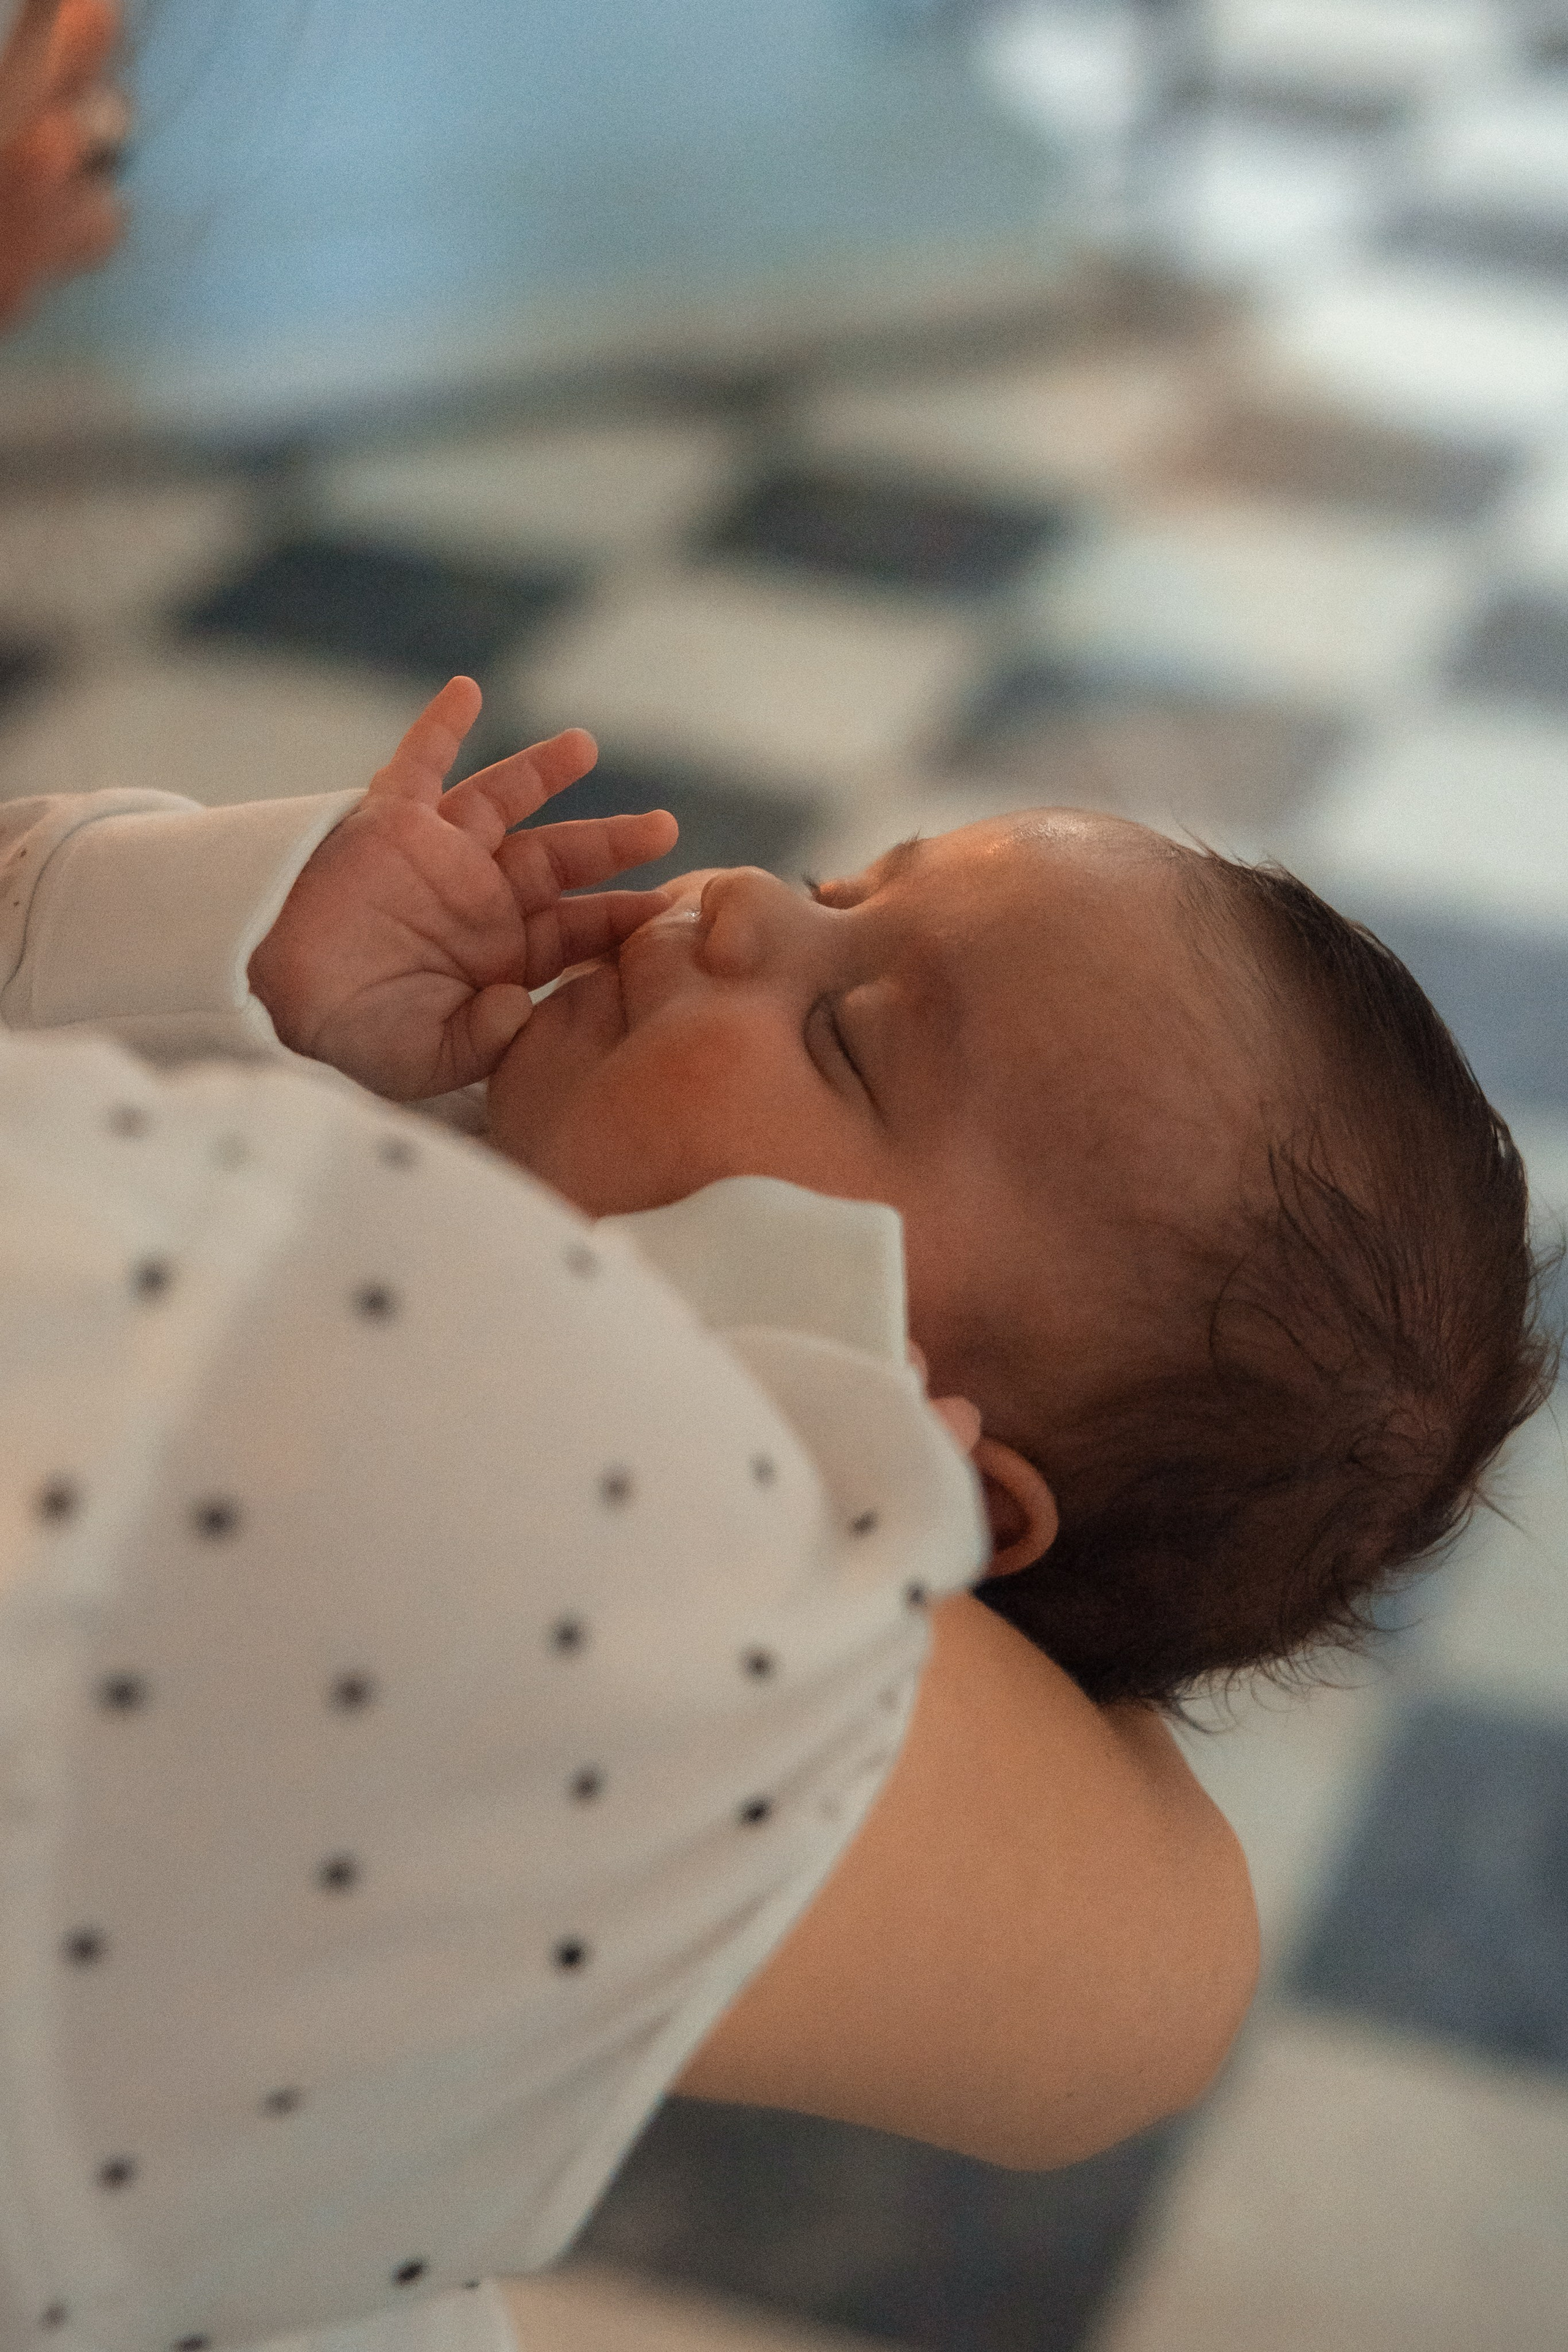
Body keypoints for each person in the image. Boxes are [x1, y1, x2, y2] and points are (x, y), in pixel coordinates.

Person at [0, 13, 1259, 2352]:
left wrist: (224, 954)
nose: (753, 900)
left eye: (857, 1021)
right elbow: (1147, 1979)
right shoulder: (537, 1474)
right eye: (859, 888)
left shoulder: (592, 1462)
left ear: (944, 1466)